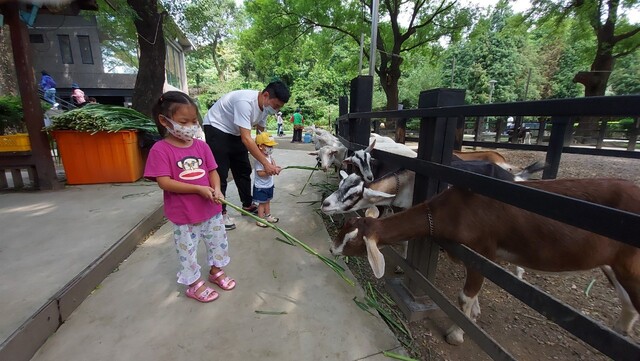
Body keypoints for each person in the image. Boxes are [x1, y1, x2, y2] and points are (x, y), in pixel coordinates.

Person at [144, 91, 236, 303]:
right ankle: (193, 284)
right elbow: (164, 182)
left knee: (218, 243)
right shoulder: (160, 149)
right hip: (184, 214)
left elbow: (213, 170)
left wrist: (217, 189)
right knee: (187, 251)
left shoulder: (201, 146)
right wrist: (197, 189)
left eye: (194, 121)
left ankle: (216, 271)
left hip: (211, 210)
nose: (190, 126)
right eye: (183, 121)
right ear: (164, 121)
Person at [202, 80, 290, 231]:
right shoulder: (245, 102)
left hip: (235, 131)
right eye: (275, 106)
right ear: (266, 95)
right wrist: (266, 164)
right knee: (220, 171)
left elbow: (260, 134)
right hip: (216, 127)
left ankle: (247, 204)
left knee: (243, 168)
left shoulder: (264, 107)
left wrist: (267, 155)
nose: (275, 110)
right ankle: (220, 212)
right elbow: (246, 139)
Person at [253, 132, 280, 227]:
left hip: (269, 185)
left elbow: (273, 165)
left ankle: (268, 216)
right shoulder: (259, 160)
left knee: (267, 201)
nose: (271, 148)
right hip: (261, 187)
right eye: (269, 146)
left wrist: (276, 168)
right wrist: (270, 171)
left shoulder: (269, 157)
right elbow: (260, 173)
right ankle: (260, 219)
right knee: (261, 204)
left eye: (272, 146)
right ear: (260, 146)